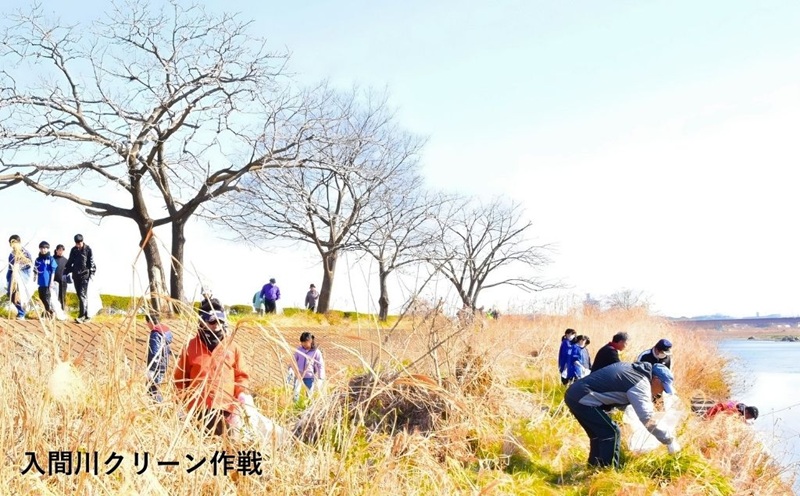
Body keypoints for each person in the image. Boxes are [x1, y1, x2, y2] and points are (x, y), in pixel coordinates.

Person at [565, 362, 680, 468]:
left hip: (574, 394)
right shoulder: (641, 383)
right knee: (612, 433)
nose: (660, 392)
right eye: (662, 388)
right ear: (656, 379)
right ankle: (607, 472)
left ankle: (593, 467)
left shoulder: (632, 370)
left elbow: (616, 391)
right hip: (584, 400)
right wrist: (668, 440)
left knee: (599, 435)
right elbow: (647, 418)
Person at [174, 308, 251, 436]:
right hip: (198, 409)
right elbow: (180, 378)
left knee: (226, 450)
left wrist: (241, 394)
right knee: (200, 450)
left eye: (220, 322)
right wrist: (181, 402)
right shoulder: (191, 347)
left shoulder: (233, 347)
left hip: (226, 408)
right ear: (202, 323)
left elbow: (241, 376)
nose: (216, 326)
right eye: (212, 322)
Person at [64, 234, 96, 323]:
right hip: (76, 275)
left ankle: (82, 316)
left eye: (79, 243)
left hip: (85, 275)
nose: (78, 245)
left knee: (82, 295)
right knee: (80, 295)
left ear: (82, 241)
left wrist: (92, 273)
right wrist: (66, 271)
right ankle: (86, 316)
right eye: (76, 243)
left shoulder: (88, 249)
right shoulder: (73, 250)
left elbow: (92, 262)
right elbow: (70, 261)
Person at [145, 313, 173, 403]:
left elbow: (154, 352)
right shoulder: (165, 331)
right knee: (156, 388)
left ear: (149, 322)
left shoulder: (156, 333)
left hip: (157, 366)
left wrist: (151, 370)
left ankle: (160, 408)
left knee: (153, 390)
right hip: (164, 364)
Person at [6, 235, 33, 320]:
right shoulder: (11, 254)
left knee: (18, 294)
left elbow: (29, 264)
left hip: (21, 277)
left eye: (14, 243)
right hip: (13, 276)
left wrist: (20, 265)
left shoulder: (25, 253)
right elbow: (10, 266)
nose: (12, 245)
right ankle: (20, 310)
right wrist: (9, 276)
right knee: (11, 294)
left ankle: (21, 313)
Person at [293, 332, 325, 401]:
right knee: (295, 393)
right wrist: (291, 370)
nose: (303, 344)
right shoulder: (299, 350)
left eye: (305, 342)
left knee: (309, 395)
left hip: (309, 377)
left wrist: (320, 378)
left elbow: (320, 365)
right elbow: (293, 360)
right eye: (302, 342)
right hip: (299, 375)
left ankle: (308, 408)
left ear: (310, 341)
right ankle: (295, 407)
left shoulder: (316, 352)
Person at [33, 241, 58, 318]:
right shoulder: (38, 259)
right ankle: (46, 312)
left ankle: (50, 313)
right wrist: (34, 277)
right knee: (41, 297)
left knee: (47, 298)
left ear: (47, 249)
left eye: (45, 248)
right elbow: (35, 269)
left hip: (48, 282)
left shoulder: (50, 259)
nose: (43, 250)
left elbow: (53, 271)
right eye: (41, 248)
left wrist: (51, 282)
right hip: (41, 282)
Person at [53, 244, 69, 312]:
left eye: (62, 250)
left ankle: (62, 311)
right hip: (53, 280)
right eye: (59, 250)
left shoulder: (66, 260)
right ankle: (51, 311)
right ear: (56, 250)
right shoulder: (52, 259)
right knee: (53, 296)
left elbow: (69, 270)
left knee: (62, 296)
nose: (61, 252)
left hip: (63, 281)